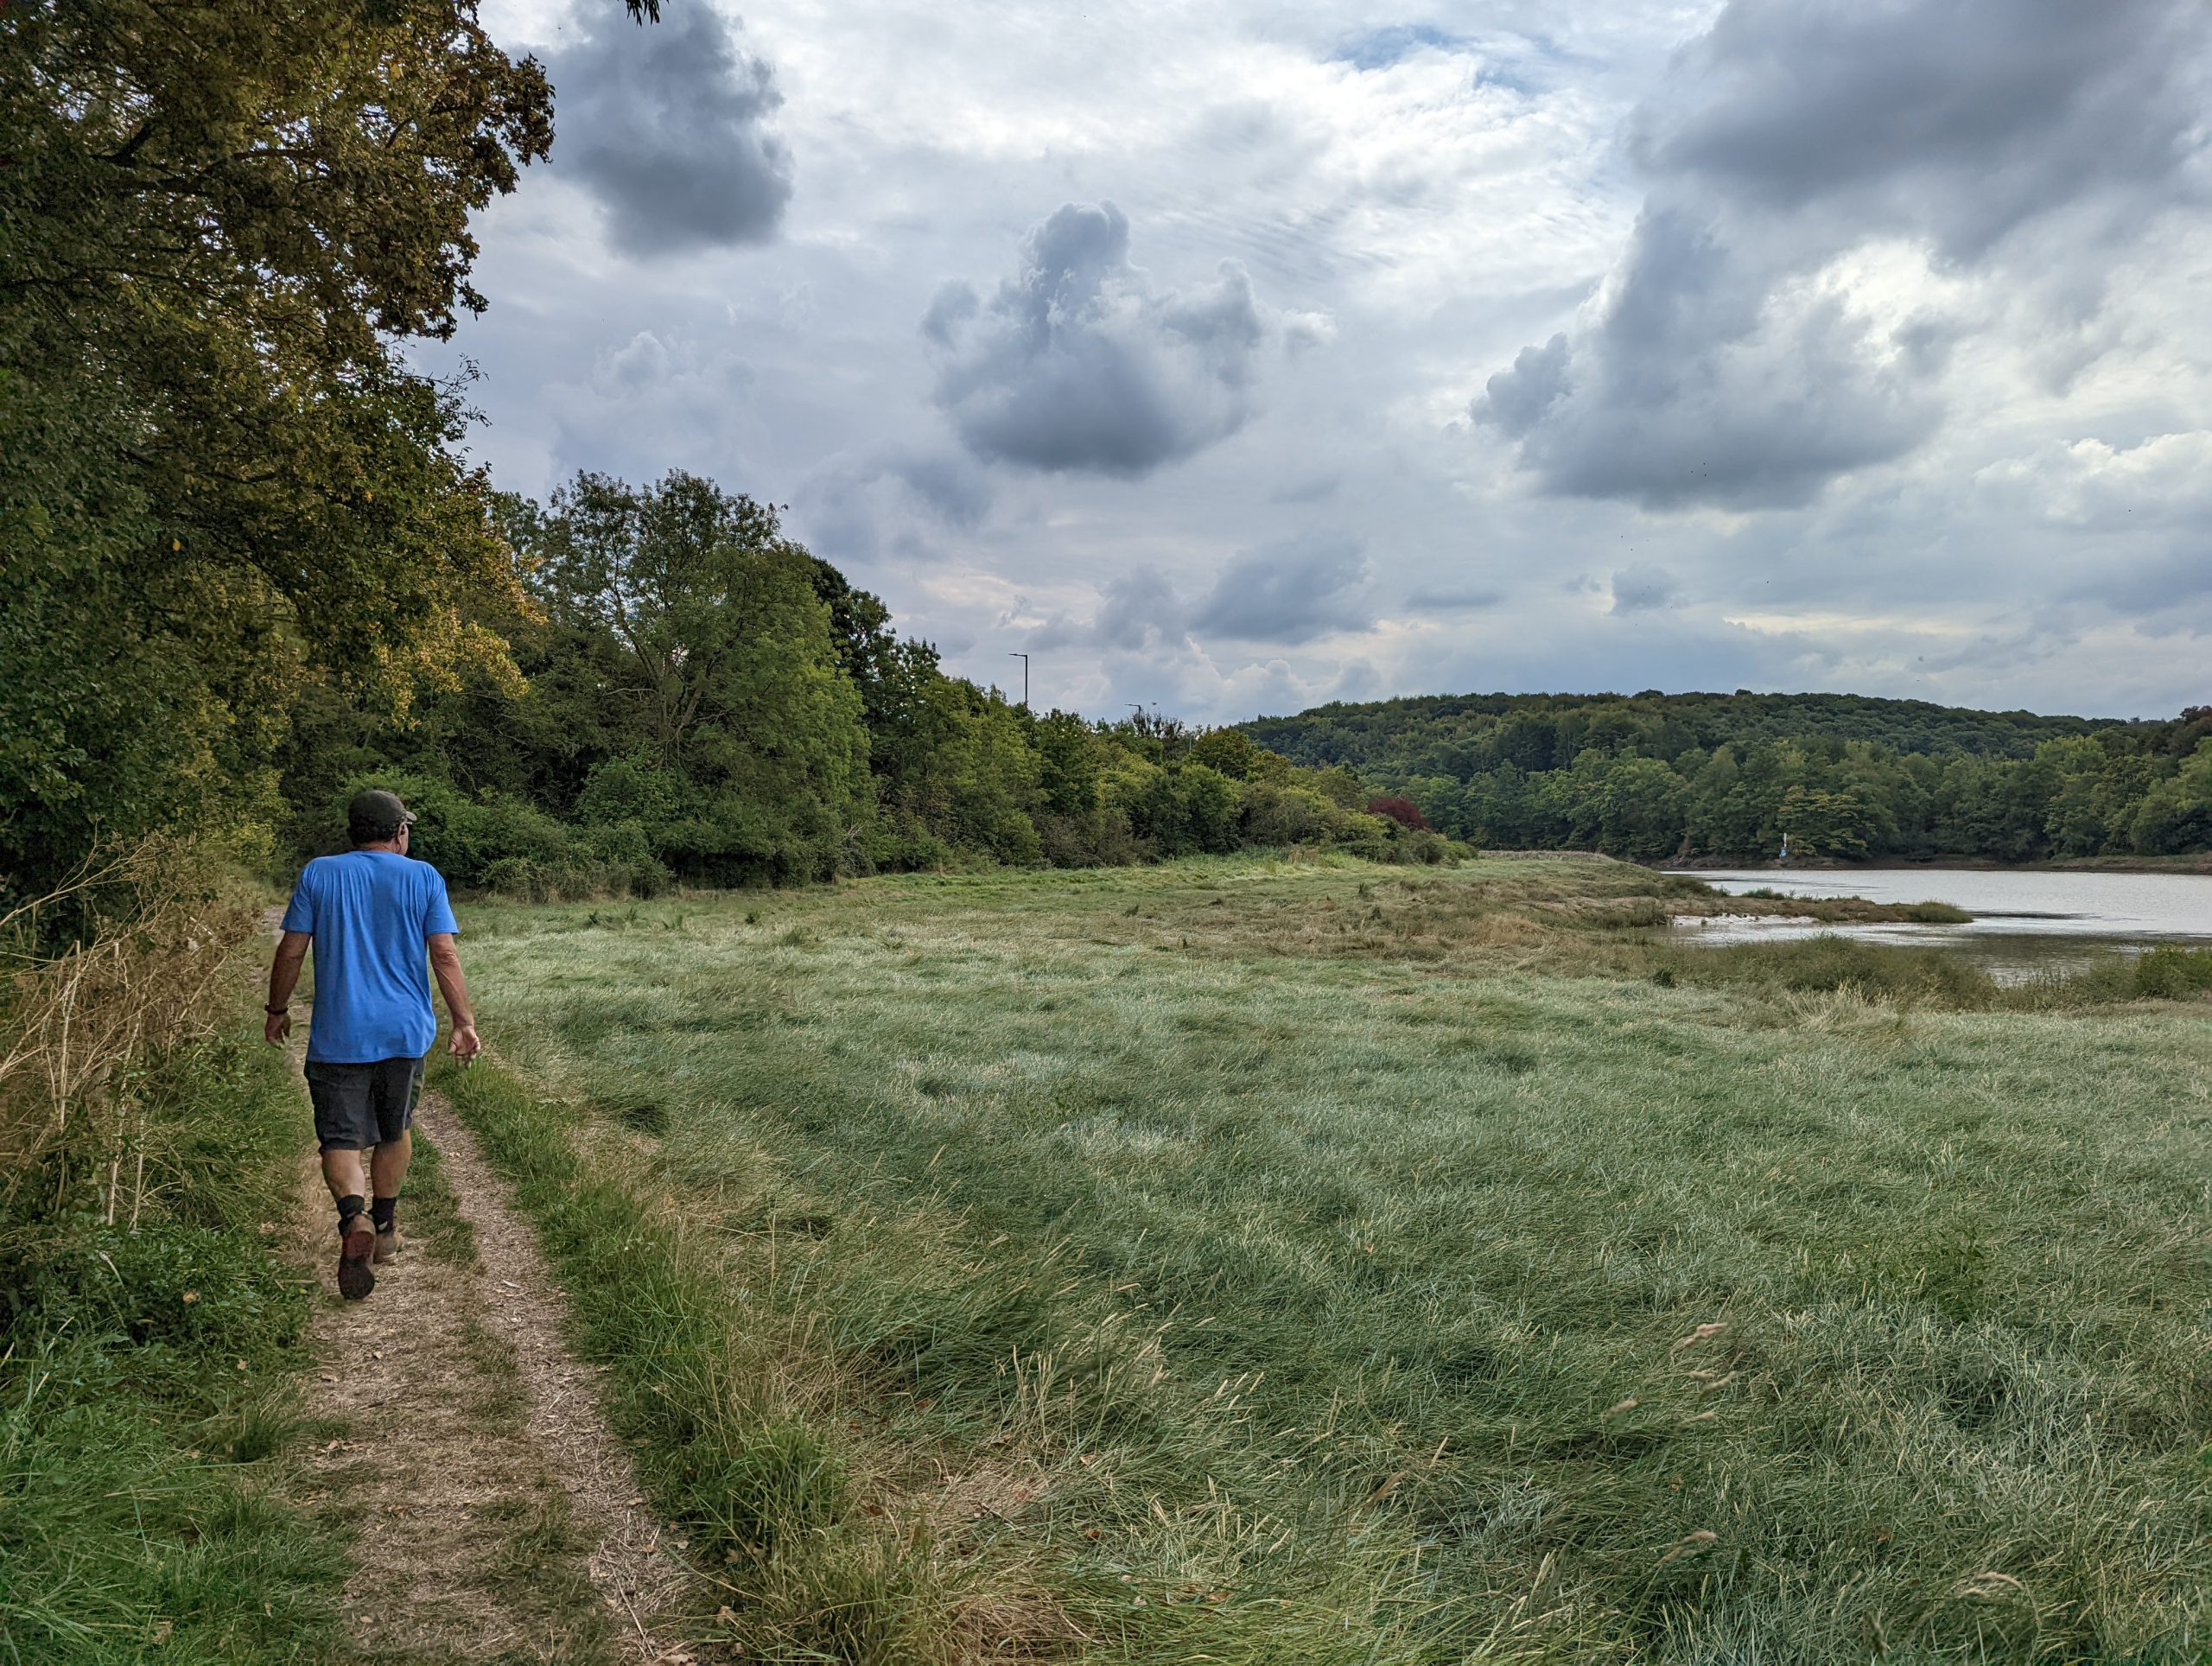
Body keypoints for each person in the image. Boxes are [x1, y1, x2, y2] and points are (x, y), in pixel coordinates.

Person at [266, 789, 481, 1300]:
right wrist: (463, 1021)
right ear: (400, 832)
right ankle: (384, 1230)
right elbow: (444, 955)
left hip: (339, 1034)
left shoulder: (319, 873)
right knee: (394, 1128)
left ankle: (352, 1218)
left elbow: (292, 951)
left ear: (353, 833)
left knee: (340, 1140)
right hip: (404, 1032)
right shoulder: (424, 877)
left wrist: (277, 1010)